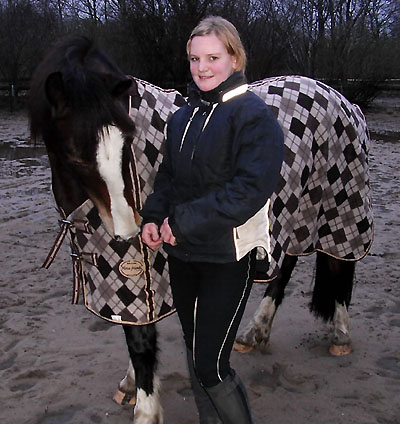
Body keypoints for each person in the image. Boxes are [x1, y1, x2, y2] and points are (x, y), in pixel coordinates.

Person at [140, 16, 284, 424]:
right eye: (194, 59)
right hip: (183, 255)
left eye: (213, 58)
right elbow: (169, 177)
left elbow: (248, 192)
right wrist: (155, 215)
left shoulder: (254, 117)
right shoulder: (182, 117)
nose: (202, 68)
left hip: (228, 256)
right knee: (194, 350)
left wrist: (182, 222)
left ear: (235, 58)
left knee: (211, 366)